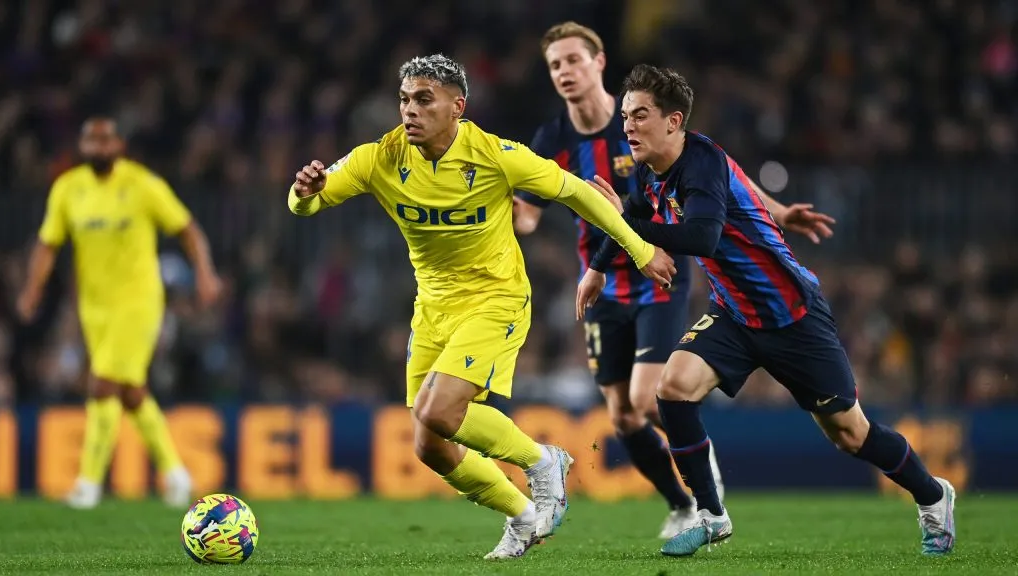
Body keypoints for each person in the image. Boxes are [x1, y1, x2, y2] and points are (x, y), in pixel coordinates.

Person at [287, 54, 675, 559]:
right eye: (404, 100)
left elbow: (578, 193)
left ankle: (543, 461)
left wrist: (640, 250)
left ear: (457, 107)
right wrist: (304, 192)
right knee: (429, 444)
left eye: (424, 100)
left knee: (440, 411)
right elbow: (306, 204)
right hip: (433, 309)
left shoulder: (495, 155)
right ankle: (523, 516)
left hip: (496, 298)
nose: (410, 110)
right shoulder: (378, 158)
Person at [577, 64, 955, 558]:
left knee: (850, 434)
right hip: (734, 315)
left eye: (639, 115)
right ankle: (711, 515)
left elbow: (702, 237)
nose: (627, 125)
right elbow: (632, 215)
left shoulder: (702, 162)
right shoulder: (652, 172)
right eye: (626, 115)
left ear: (673, 121)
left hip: (793, 317)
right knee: (672, 388)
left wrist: (630, 233)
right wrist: (598, 269)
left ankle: (933, 496)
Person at [514, 22, 835, 538]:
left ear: (598, 63)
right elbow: (525, 216)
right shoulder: (551, 139)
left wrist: (777, 211)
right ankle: (683, 503)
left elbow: (720, 174)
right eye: (555, 64)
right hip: (602, 282)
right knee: (622, 416)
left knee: (647, 399)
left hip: (658, 277)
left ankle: (704, 479)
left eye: (573, 59)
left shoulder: (640, 121)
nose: (564, 71)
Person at [17, 117, 222, 509]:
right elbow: (48, 244)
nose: (98, 147)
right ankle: (176, 473)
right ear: (82, 147)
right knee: (131, 392)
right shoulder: (68, 188)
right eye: (91, 141)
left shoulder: (142, 185)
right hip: (94, 306)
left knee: (103, 384)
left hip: (138, 301)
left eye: (105, 141)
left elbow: (188, 229)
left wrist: (205, 274)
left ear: (118, 146)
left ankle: (88, 485)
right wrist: (32, 288)